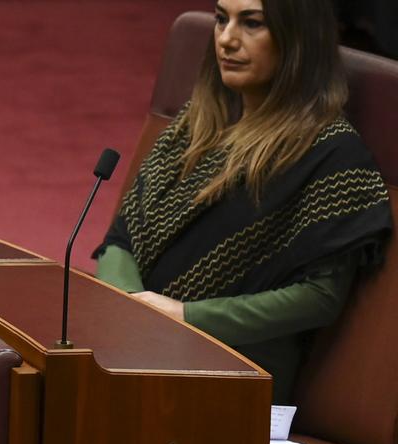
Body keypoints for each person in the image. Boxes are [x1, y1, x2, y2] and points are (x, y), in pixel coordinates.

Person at [94, 0, 392, 404]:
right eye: (221, 19)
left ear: (297, 39)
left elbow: (319, 297)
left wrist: (185, 318)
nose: (227, 39)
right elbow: (122, 235)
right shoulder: (196, 122)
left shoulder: (333, 156)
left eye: (252, 23)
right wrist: (132, 308)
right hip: (132, 347)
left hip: (232, 380)